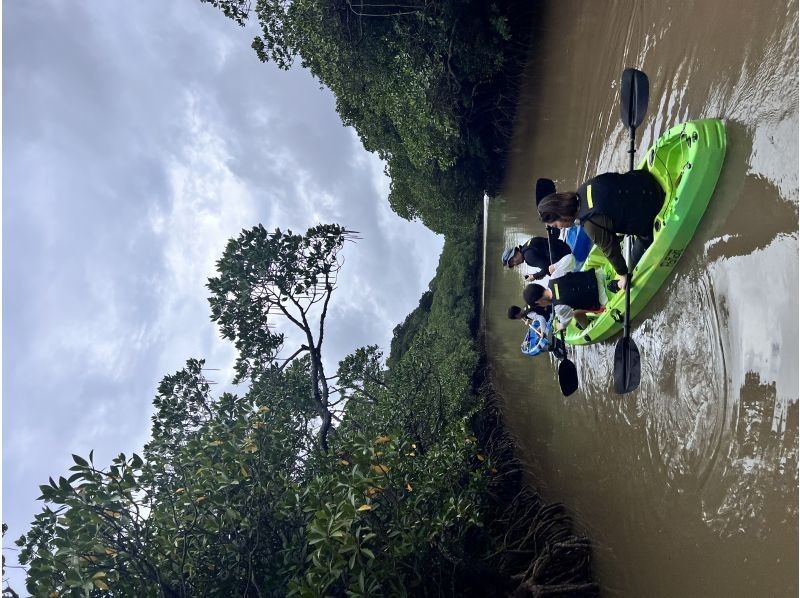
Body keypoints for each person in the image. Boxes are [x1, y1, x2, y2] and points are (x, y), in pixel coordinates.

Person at [536, 169, 665, 290]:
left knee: (631, 265)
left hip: (654, 206)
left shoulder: (590, 224)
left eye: (555, 225)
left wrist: (623, 275)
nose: (559, 228)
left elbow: (611, 251)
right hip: (646, 180)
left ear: (561, 214)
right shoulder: (584, 187)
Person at [522, 266, 610, 331]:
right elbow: (570, 258)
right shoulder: (554, 276)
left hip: (602, 298)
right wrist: (555, 265)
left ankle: (588, 329)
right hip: (598, 274)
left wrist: (557, 326)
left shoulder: (559, 308)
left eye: (539, 305)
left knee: (575, 313)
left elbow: (563, 325)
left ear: (538, 301)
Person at [501, 232, 571, 280]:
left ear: (515, 253)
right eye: (513, 265)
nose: (515, 264)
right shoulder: (527, 245)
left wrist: (534, 276)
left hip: (565, 256)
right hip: (564, 246)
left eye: (512, 261)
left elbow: (546, 268)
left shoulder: (528, 257)